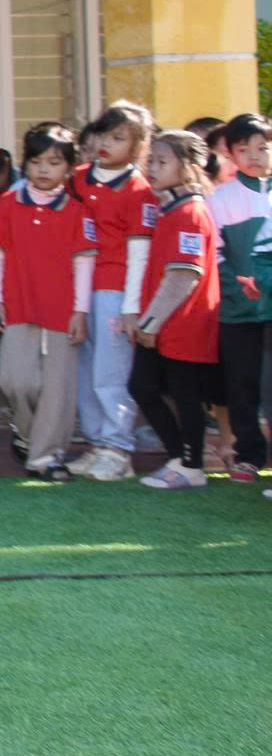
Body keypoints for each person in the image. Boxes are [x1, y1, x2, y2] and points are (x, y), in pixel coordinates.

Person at [0, 124, 97, 481]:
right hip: (18, 306)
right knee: (14, 380)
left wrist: (81, 311)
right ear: (25, 164)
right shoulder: (8, 204)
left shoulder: (77, 211)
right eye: (36, 162)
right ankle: (28, 435)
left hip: (62, 311)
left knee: (57, 389)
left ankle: (46, 457)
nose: (44, 169)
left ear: (69, 168)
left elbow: (84, 262)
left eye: (54, 162)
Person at [127, 128, 220, 491]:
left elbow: (184, 276)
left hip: (185, 323)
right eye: (150, 160)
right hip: (165, 322)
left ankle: (192, 465)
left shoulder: (190, 213)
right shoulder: (170, 209)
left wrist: (150, 323)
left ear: (188, 166)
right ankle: (180, 459)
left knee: (185, 396)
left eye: (162, 161)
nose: (152, 168)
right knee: (143, 386)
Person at [68, 101, 157, 481]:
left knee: (111, 372)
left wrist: (132, 307)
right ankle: (96, 444)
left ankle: (118, 449)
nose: (107, 143)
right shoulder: (77, 178)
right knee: (85, 371)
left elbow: (140, 253)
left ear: (138, 146)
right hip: (78, 289)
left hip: (115, 292)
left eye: (119, 138)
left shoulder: (140, 190)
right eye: (104, 134)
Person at [204, 113, 272, 484]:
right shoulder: (221, 199)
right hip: (238, 310)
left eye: (263, 147)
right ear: (230, 154)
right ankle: (249, 456)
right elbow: (214, 254)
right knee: (242, 385)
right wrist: (237, 287)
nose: (255, 156)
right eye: (244, 149)